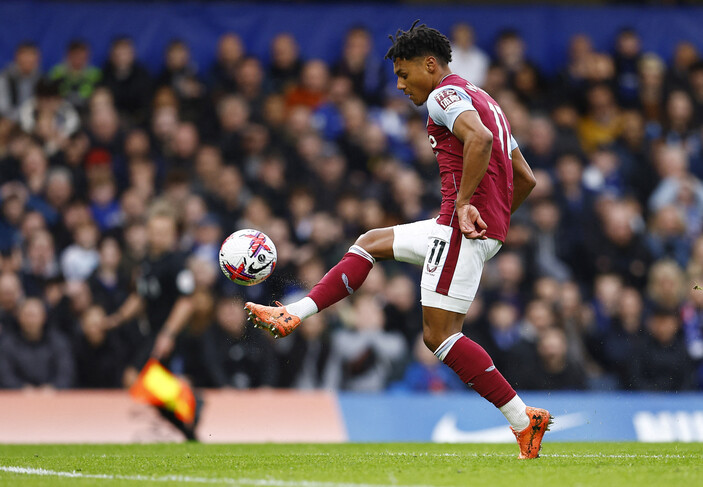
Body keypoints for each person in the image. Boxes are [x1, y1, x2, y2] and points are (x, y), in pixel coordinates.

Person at [246, 22, 550, 459]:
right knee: (370, 242)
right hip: (461, 226)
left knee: (439, 337)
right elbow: (526, 178)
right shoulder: (487, 101)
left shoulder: (446, 96)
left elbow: (478, 141)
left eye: (405, 74)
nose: (401, 85)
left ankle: (523, 420)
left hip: (456, 227)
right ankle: (293, 314)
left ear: (431, 65)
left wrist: (467, 207)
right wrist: (494, 220)